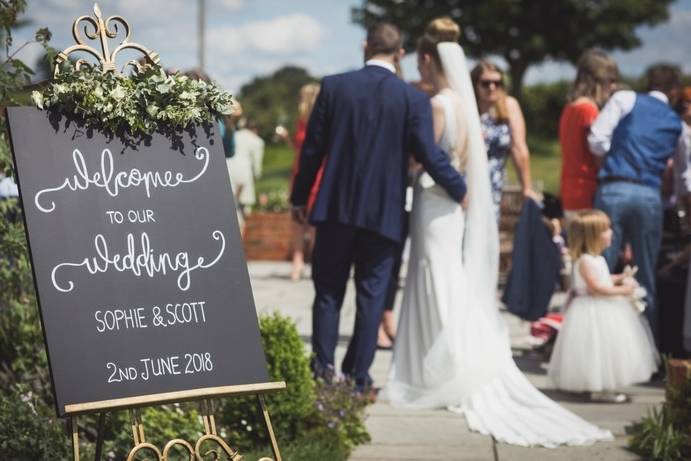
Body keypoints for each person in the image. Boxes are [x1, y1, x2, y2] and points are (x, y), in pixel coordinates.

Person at [386, 17, 613, 447]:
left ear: (431, 61)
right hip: (455, 204)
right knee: (446, 275)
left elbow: (428, 159)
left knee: (436, 278)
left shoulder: (439, 106)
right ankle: (439, 359)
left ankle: (440, 364)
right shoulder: (467, 108)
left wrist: (407, 161)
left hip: (436, 202)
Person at [290, 22, 467, 395]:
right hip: (385, 214)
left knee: (328, 293)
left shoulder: (334, 86)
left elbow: (312, 151)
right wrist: (461, 188)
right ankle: (358, 378)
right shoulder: (411, 99)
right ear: (400, 53)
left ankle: (323, 371)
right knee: (372, 296)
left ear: (365, 46)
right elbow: (429, 154)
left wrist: (299, 198)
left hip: (335, 208)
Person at [589, 64, 690, 339]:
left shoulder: (625, 99)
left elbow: (596, 139)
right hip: (649, 195)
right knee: (645, 274)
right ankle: (646, 347)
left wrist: (616, 157)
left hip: (614, 187)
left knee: (600, 268)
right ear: (672, 91)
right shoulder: (677, 124)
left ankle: (597, 340)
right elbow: (685, 177)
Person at [548, 210, 659, 402]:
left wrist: (619, 278)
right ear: (593, 235)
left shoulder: (597, 259)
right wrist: (625, 290)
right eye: (606, 229)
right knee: (598, 350)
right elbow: (597, 289)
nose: (611, 233)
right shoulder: (585, 261)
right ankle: (600, 388)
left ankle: (606, 386)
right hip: (592, 310)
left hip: (601, 308)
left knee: (607, 350)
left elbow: (603, 279)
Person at [471, 60, 537, 219]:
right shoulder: (468, 109)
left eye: (497, 83)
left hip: (494, 183)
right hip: (470, 183)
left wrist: (526, 187)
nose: (492, 87)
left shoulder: (509, 106)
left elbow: (519, 148)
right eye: (486, 83)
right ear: (475, 85)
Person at [559, 50, 618, 220]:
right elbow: (596, 154)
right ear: (598, 81)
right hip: (586, 189)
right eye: (611, 80)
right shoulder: (589, 109)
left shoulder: (570, 107)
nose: (613, 87)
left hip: (570, 187)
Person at [278, 83, 322, 281]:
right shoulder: (301, 122)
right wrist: (287, 138)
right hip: (299, 170)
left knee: (313, 220)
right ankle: (298, 262)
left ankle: (314, 261)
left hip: (317, 172)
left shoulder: (321, 121)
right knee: (297, 220)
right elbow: (298, 147)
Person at [227, 118, 265, 235]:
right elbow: (257, 163)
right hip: (244, 171)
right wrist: (256, 176)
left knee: (231, 204)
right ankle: (238, 238)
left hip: (228, 168)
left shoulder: (235, 134)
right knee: (242, 207)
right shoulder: (256, 140)